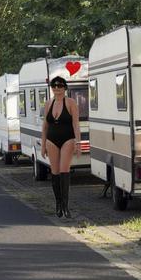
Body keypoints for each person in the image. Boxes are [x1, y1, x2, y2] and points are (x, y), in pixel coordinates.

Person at [41, 76, 81, 218]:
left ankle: (65, 205)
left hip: (67, 139)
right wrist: (43, 144)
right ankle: (58, 203)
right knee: (55, 172)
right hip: (51, 140)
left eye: (59, 86)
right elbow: (45, 126)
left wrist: (78, 142)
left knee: (64, 170)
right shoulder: (48, 104)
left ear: (65, 88)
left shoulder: (71, 103)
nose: (56, 88)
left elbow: (76, 124)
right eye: (54, 86)